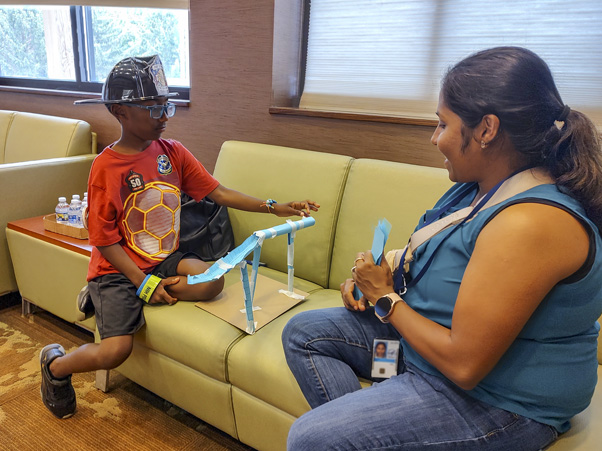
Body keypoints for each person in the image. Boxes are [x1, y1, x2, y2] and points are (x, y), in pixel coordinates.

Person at [282, 47, 602, 450]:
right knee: (304, 332)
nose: (435, 139)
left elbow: (465, 366)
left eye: (442, 123)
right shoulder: (479, 188)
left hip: (496, 398)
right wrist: (374, 280)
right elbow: (439, 253)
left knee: (311, 439)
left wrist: (384, 298)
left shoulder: (532, 223)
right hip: (427, 352)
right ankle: (375, 417)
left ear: (487, 129)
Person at [39, 55, 319, 420]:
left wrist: (274, 206)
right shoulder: (105, 169)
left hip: (163, 257)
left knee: (212, 281)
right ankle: (56, 367)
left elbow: (218, 192)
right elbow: (104, 240)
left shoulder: (173, 153)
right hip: (118, 269)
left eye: (166, 105)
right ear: (121, 111)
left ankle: (127, 299)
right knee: (116, 351)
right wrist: (143, 283)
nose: (165, 116)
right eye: (155, 108)